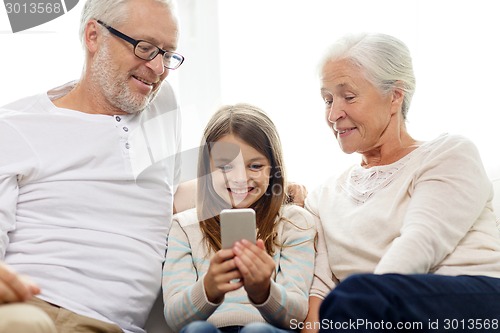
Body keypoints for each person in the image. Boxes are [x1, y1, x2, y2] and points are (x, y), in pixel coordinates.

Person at [0, 0, 184, 332]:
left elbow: (175, 194)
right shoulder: (16, 127)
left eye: (168, 54)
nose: (158, 68)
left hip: (110, 325)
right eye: (144, 48)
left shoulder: (164, 106)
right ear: (93, 36)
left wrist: (269, 190)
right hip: (35, 310)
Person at [301, 32, 500, 333]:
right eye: (327, 100)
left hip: (473, 300)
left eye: (348, 97)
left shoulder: (448, 153)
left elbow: (420, 243)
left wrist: (368, 301)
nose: (333, 114)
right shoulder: (322, 197)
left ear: (395, 96)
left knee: (356, 295)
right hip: (375, 309)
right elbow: (321, 285)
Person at [162, 104, 317, 333]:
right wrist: (208, 289)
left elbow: (296, 315)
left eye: (255, 166)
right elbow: (175, 319)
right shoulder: (184, 227)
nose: (240, 179)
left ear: (273, 167)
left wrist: (265, 291)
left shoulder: (295, 223)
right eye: (225, 167)